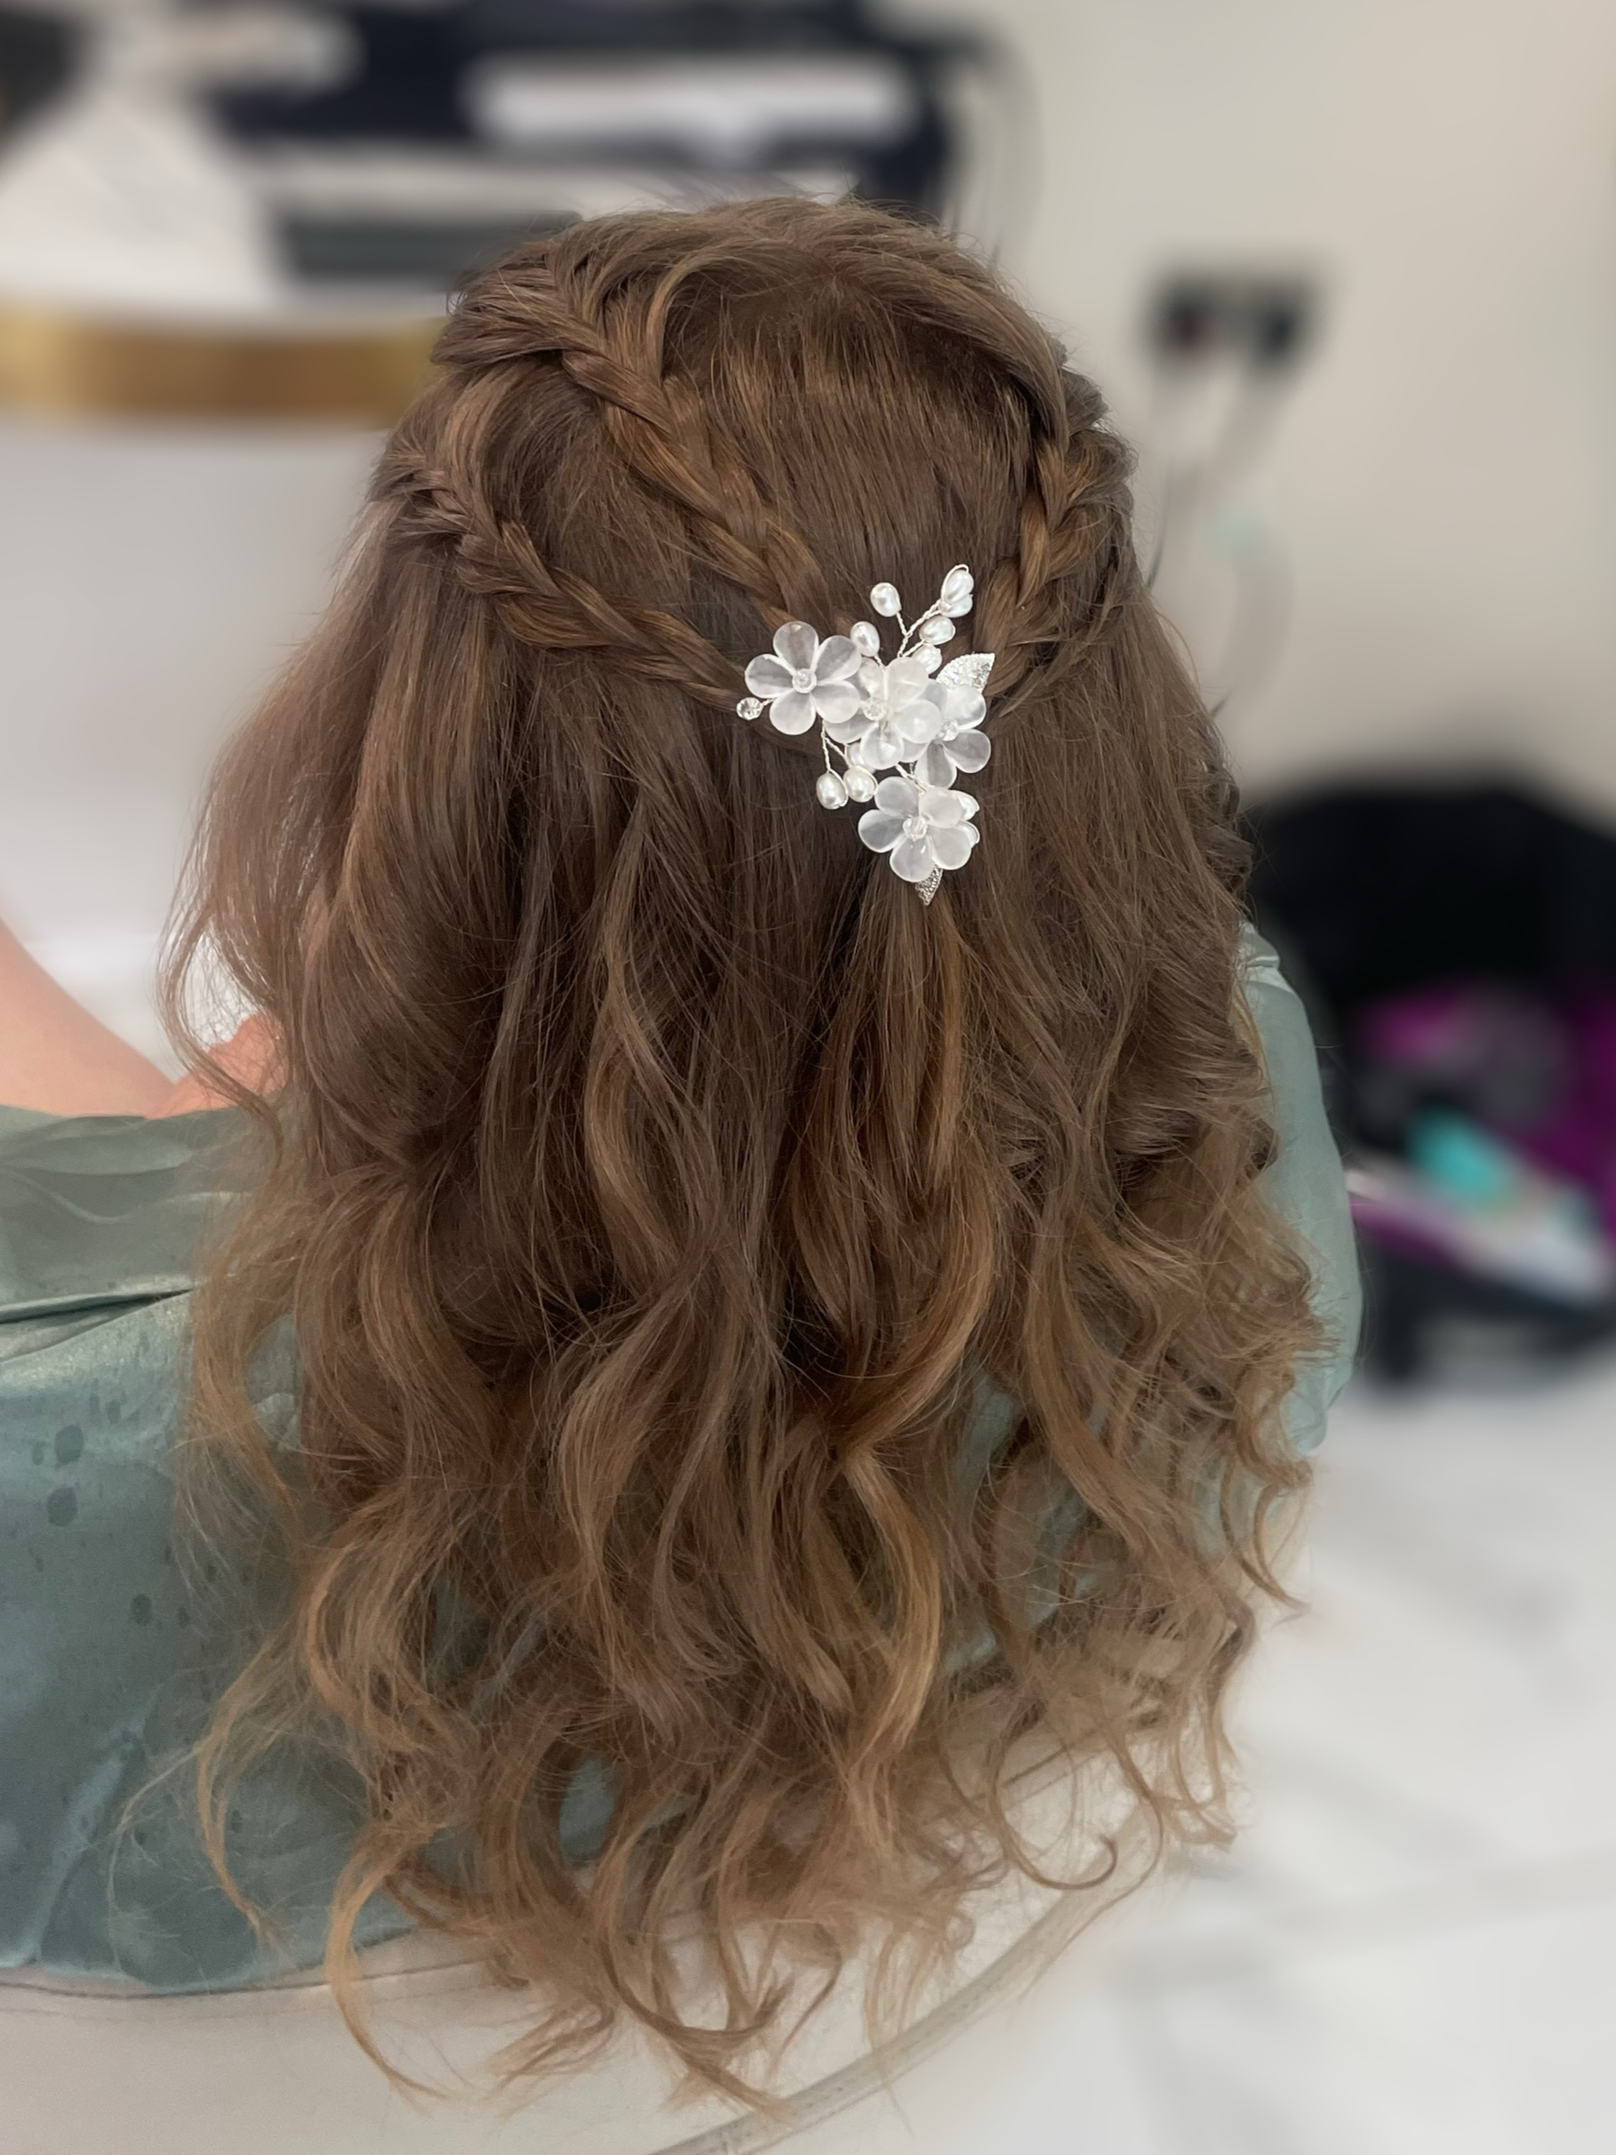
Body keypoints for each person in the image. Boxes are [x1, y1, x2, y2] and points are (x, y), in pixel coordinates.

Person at [0, 198, 1359, 2122]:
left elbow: (118, 1298)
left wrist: (282, 1123)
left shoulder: (62, 1433)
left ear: (415, 780)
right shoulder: (1235, 1120)